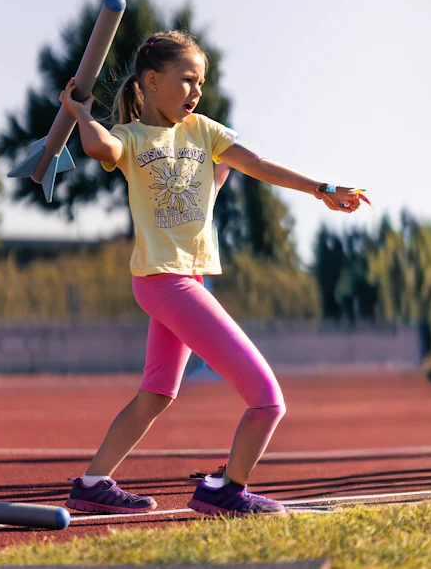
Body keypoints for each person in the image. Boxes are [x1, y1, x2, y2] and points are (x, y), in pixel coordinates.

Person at [59, 30, 367, 517]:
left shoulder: (204, 131)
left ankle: (93, 482)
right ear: (153, 81)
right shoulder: (134, 138)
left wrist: (322, 188)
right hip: (165, 282)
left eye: (201, 82)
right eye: (187, 80)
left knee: (156, 394)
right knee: (267, 400)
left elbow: (258, 164)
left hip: (186, 281)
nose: (197, 91)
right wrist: (79, 114)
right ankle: (225, 490)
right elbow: (100, 149)